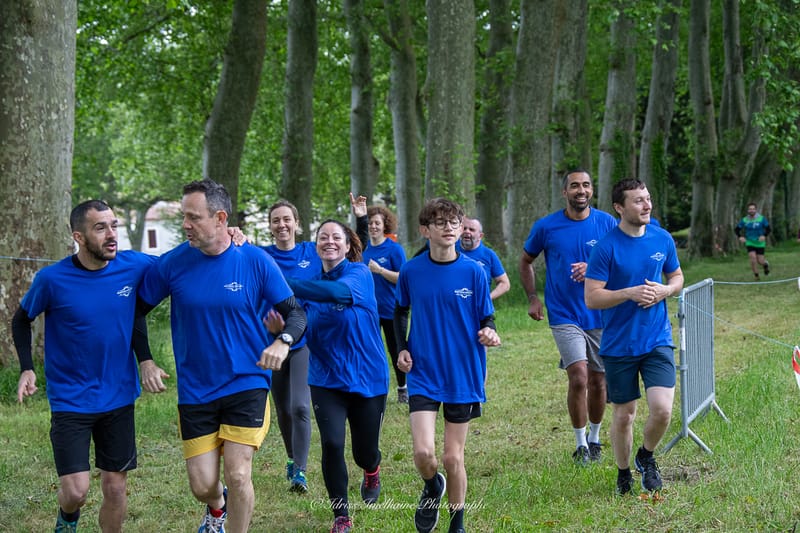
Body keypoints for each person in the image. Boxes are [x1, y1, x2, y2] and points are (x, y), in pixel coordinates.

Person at [138, 179, 307, 533]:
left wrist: (282, 342)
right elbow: (136, 308)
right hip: (196, 388)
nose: (185, 224)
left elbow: (296, 313)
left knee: (239, 472)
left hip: (246, 380)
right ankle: (217, 507)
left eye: (192, 217)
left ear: (220, 218)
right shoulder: (173, 264)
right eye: (184, 216)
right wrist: (146, 359)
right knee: (202, 485)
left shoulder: (255, 260)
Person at [12, 199, 170, 533]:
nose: (112, 234)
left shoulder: (133, 266)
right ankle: (67, 518)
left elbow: (180, 263)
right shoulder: (52, 279)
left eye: (114, 225)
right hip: (71, 398)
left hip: (118, 395)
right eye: (100, 228)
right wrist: (27, 367)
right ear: (79, 237)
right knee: (76, 491)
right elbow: (21, 319)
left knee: (115, 487)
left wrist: (230, 235)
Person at [395, 198, 501, 533]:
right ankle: (431, 485)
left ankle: (458, 523)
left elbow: (488, 317)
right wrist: (401, 349)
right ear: (425, 230)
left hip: (463, 372)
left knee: (454, 458)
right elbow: (400, 311)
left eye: (454, 221)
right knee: (424, 453)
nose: (450, 227)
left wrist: (489, 332)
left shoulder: (474, 271)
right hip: (424, 372)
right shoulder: (412, 270)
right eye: (440, 222)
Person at [280, 219, 388, 533]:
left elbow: (337, 293)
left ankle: (372, 469)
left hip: (367, 377)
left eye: (335, 237)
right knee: (331, 443)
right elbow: (297, 321)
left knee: (364, 452)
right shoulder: (309, 284)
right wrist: (281, 331)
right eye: (323, 237)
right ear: (316, 245)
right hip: (326, 378)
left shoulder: (359, 274)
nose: (329, 241)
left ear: (346, 244)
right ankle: (341, 516)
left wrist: (284, 282)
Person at [584, 178, 684, 495]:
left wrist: (666, 290)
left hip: (656, 338)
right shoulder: (606, 248)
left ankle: (646, 456)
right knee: (625, 415)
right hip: (619, 345)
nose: (646, 205)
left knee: (663, 410)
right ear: (619, 207)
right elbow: (592, 297)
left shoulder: (662, 238)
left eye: (648, 198)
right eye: (638, 200)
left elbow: (677, 276)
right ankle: (624, 472)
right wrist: (628, 293)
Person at [519, 170, 618, 465]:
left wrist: (593, 269)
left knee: (599, 381)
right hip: (564, 313)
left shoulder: (607, 223)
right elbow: (525, 261)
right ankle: (580, 445)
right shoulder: (547, 227)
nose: (581, 190)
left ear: (592, 190)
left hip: (600, 312)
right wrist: (533, 297)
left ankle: (596, 438)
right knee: (578, 377)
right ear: (565, 192)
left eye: (586, 185)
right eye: (575, 185)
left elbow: (623, 262)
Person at [260, 200, 316, 493]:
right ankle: (292, 459)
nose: (281, 225)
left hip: (303, 341)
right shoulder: (261, 256)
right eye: (275, 221)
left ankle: (301, 473)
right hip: (272, 342)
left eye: (286, 220)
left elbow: (348, 254)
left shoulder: (311, 253)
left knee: (300, 406)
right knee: (283, 409)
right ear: (270, 227)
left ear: (297, 224)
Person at [361, 204, 409, 403]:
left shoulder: (393, 249)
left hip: (391, 309)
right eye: (370, 223)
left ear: (384, 226)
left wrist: (380, 271)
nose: (373, 226)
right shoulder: (363, 250)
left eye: (377, 223)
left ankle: (403, 388)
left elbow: (403, 278)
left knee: (395, 349)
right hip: (369, 311)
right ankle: (373, 388)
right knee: (370, 350)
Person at [457, 216, 511, 301]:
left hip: (479, 310)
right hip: (453, 308)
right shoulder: (450, 249)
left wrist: (487, 299)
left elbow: (505, 284)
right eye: (464, 228)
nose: (467, 231)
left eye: (472, 230)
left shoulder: (489, 255)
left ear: (480, 236)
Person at [735, 202, 770, 280]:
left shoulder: (761, 218)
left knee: (760, 261)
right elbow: (737, 229)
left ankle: (765, 264)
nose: (752, 210)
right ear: (748, 210)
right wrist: (740, 237)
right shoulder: (744, 220)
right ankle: (756, 276)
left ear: (756, 210)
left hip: (760, 242)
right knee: (752, 258)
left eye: (753, 209)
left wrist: (764, 236)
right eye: (750, 209)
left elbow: (768, 229)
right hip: (750, 241)